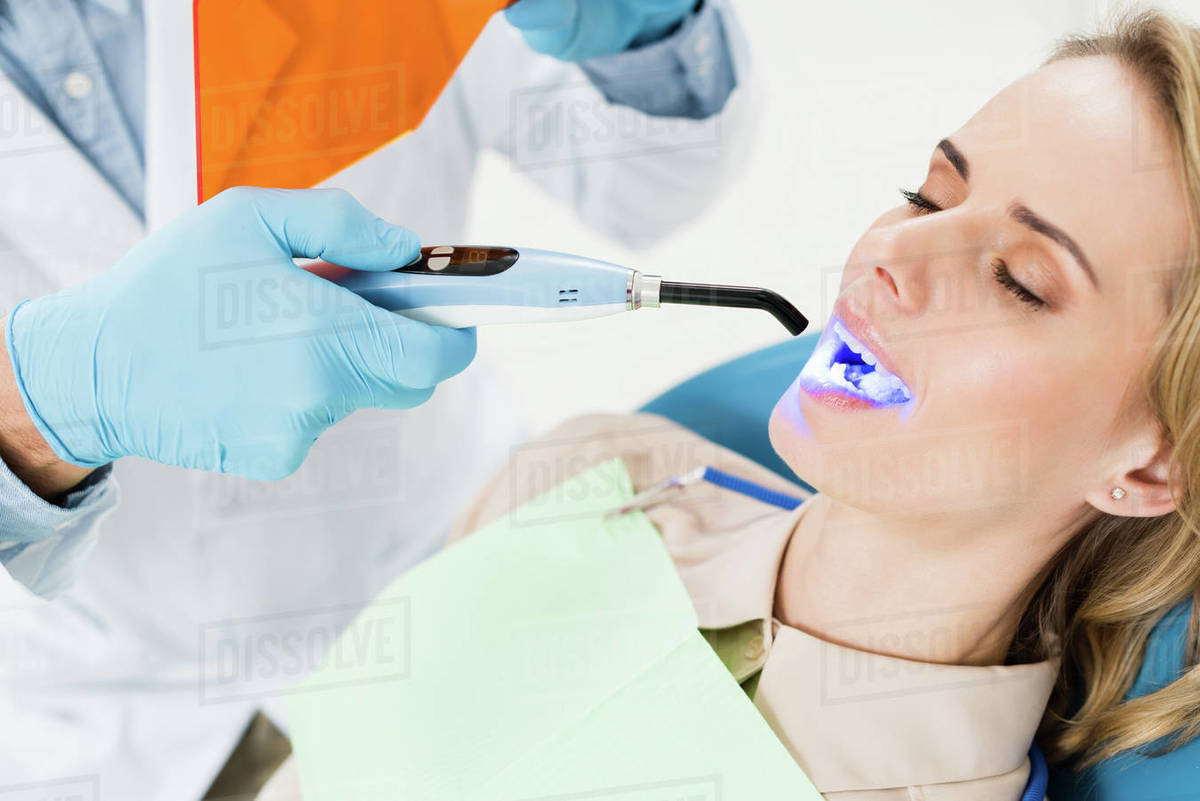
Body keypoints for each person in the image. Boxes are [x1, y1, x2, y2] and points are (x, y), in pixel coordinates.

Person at [259, 7, 1200, 800]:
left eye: (1017, 279)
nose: (890, 257)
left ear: (1153, 464)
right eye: (928, 195)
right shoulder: (605, 469)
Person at [0, 1, 753, 799]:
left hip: (459, 571)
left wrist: (648, 35)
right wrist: (43, 401)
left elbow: (647, 182)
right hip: (117, 719)